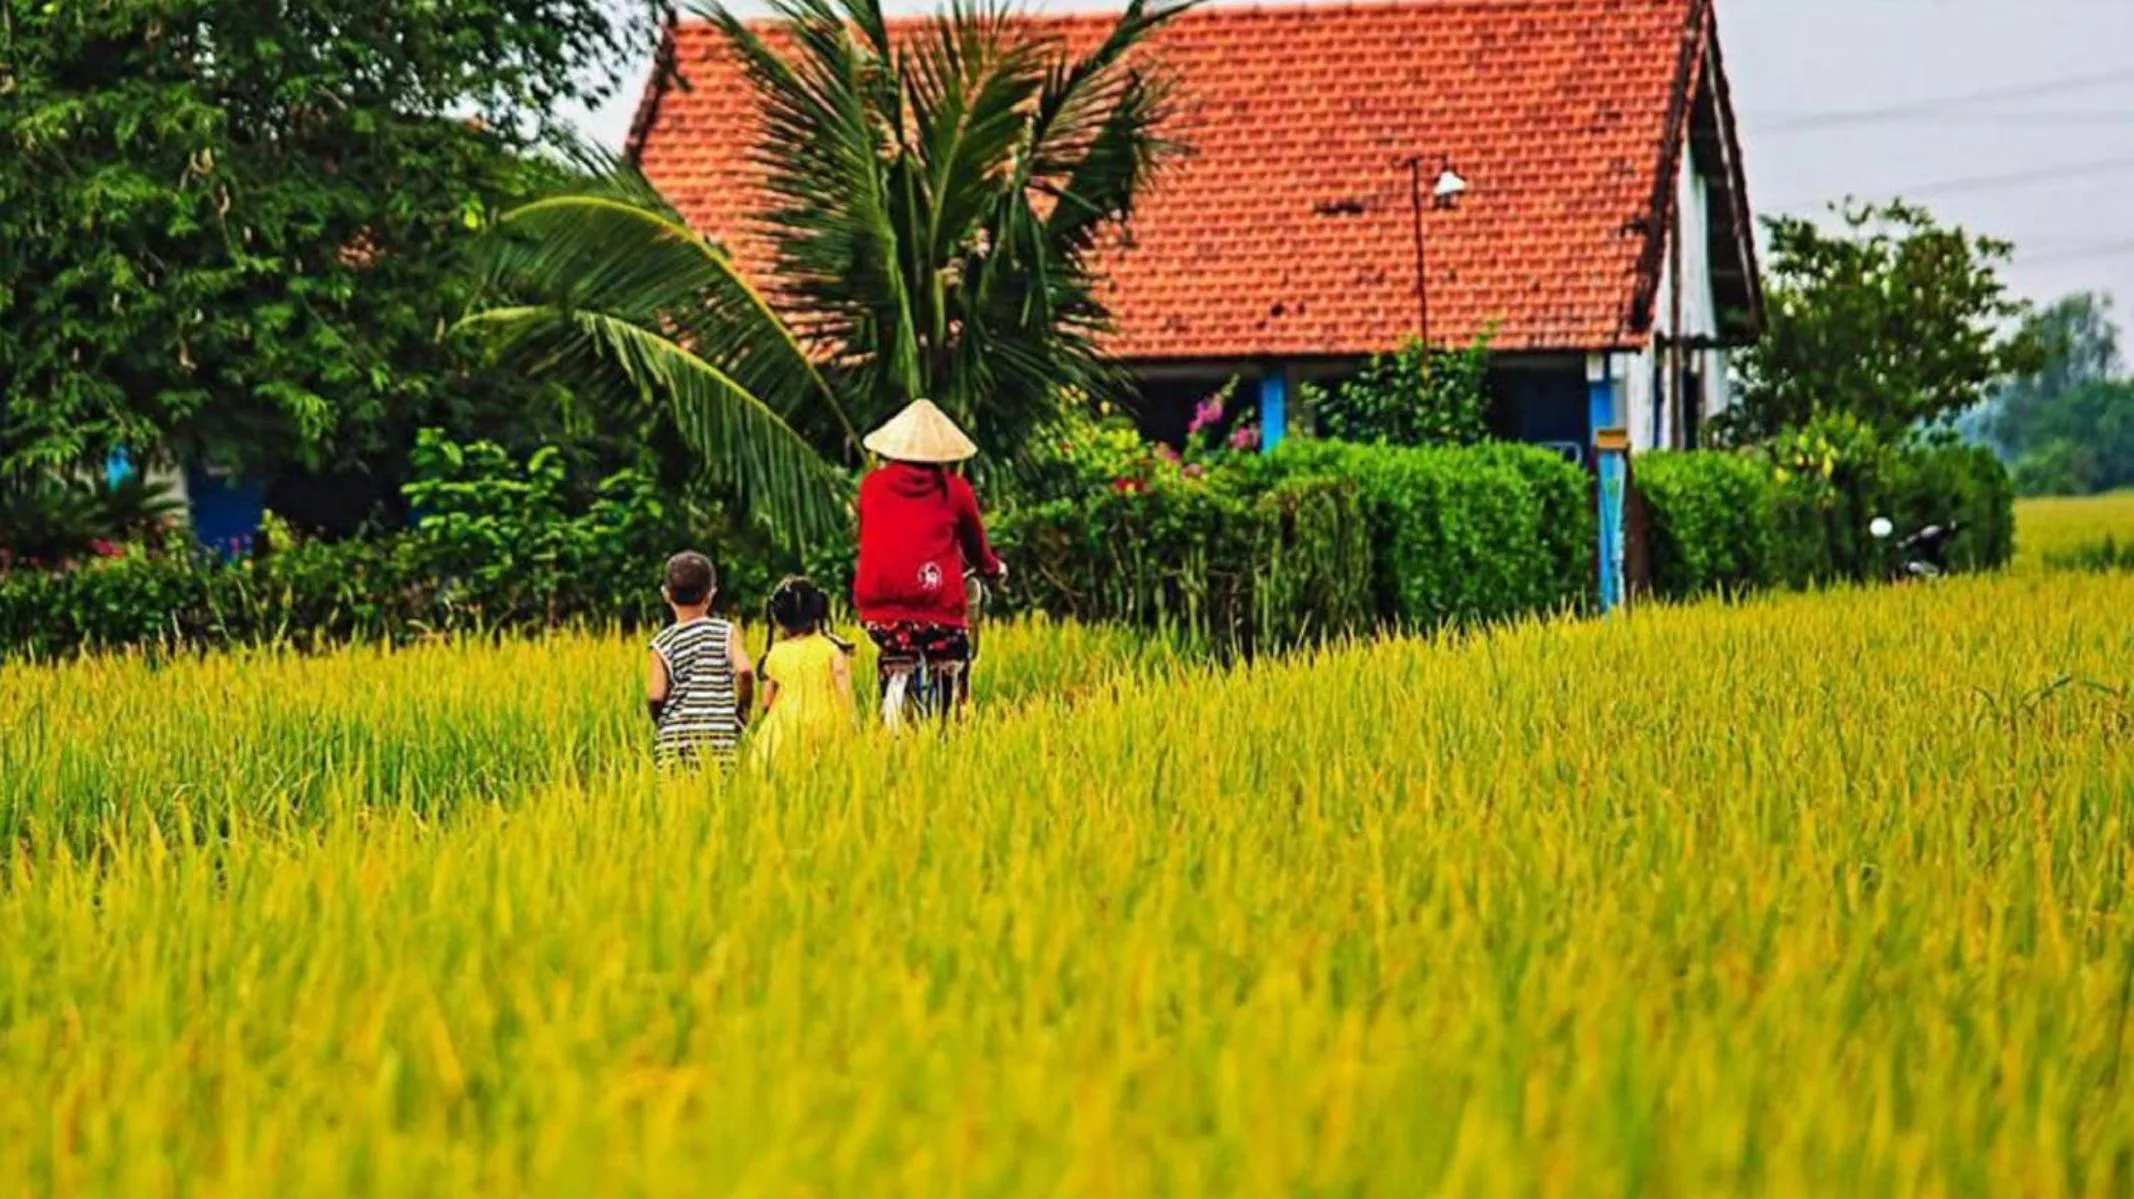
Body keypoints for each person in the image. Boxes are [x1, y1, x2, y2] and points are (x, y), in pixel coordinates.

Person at [852, 399, 1006, 721]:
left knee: (894, 648)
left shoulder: (871, 487)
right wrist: (993, 569)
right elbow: (976, 547)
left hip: (880, 610)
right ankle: (947, 728)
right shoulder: (956, 491)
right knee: (950, 656)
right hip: (936, 607)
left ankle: (889, 702)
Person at [646, 551, 753, 769]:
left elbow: (655, 695)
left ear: (665, 594)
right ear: (711, 593)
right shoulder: (726, 632)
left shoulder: (661, 643)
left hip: (674, 741)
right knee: (719, 799)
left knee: (673, 800)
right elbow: (744, 671)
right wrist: (742, 712)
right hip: (718, 740)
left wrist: (662, 721)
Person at [751, 576, 855, 762]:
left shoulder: (775, 653)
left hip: (783, 730)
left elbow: (766, 702)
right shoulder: (833, 650)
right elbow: (844, 692)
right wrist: (852, 723)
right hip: (827, 726)